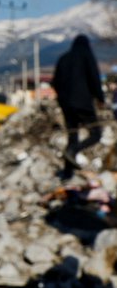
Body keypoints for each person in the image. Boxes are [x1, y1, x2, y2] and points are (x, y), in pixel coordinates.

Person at [53, 34, 106, 179]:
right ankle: (74, 151)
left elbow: (55, 81)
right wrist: (100, 98)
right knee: (96, 134)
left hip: (66, 105)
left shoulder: (63, 58)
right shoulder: (86, 56)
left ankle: (67, 173)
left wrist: (63, 98)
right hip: (83, 103)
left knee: (72, 135)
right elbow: (94, 78)